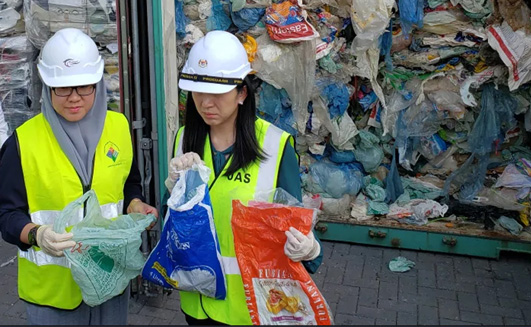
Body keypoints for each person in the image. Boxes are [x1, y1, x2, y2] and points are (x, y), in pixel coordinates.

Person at [0, 28, 158, 325]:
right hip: (54, 297)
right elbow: (7, 215)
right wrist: (37, 234)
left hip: (110, 282)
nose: (74, 98)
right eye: (63, 88)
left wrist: (135, 204)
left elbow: (129, 183)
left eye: (85, 86)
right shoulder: (23, 143)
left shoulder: (118, 127)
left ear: (97, 84)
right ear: (47, 87)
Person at [165, 30, 323, 325]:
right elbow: (172, 218)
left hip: (251, 309)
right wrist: (173, 189)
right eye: (198, 91)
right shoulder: (185, 139)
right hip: (197, 303)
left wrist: (310, 248)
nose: (206, 103)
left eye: (217, 92)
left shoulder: (276, 147)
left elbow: (298, 234)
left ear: (241, 93)